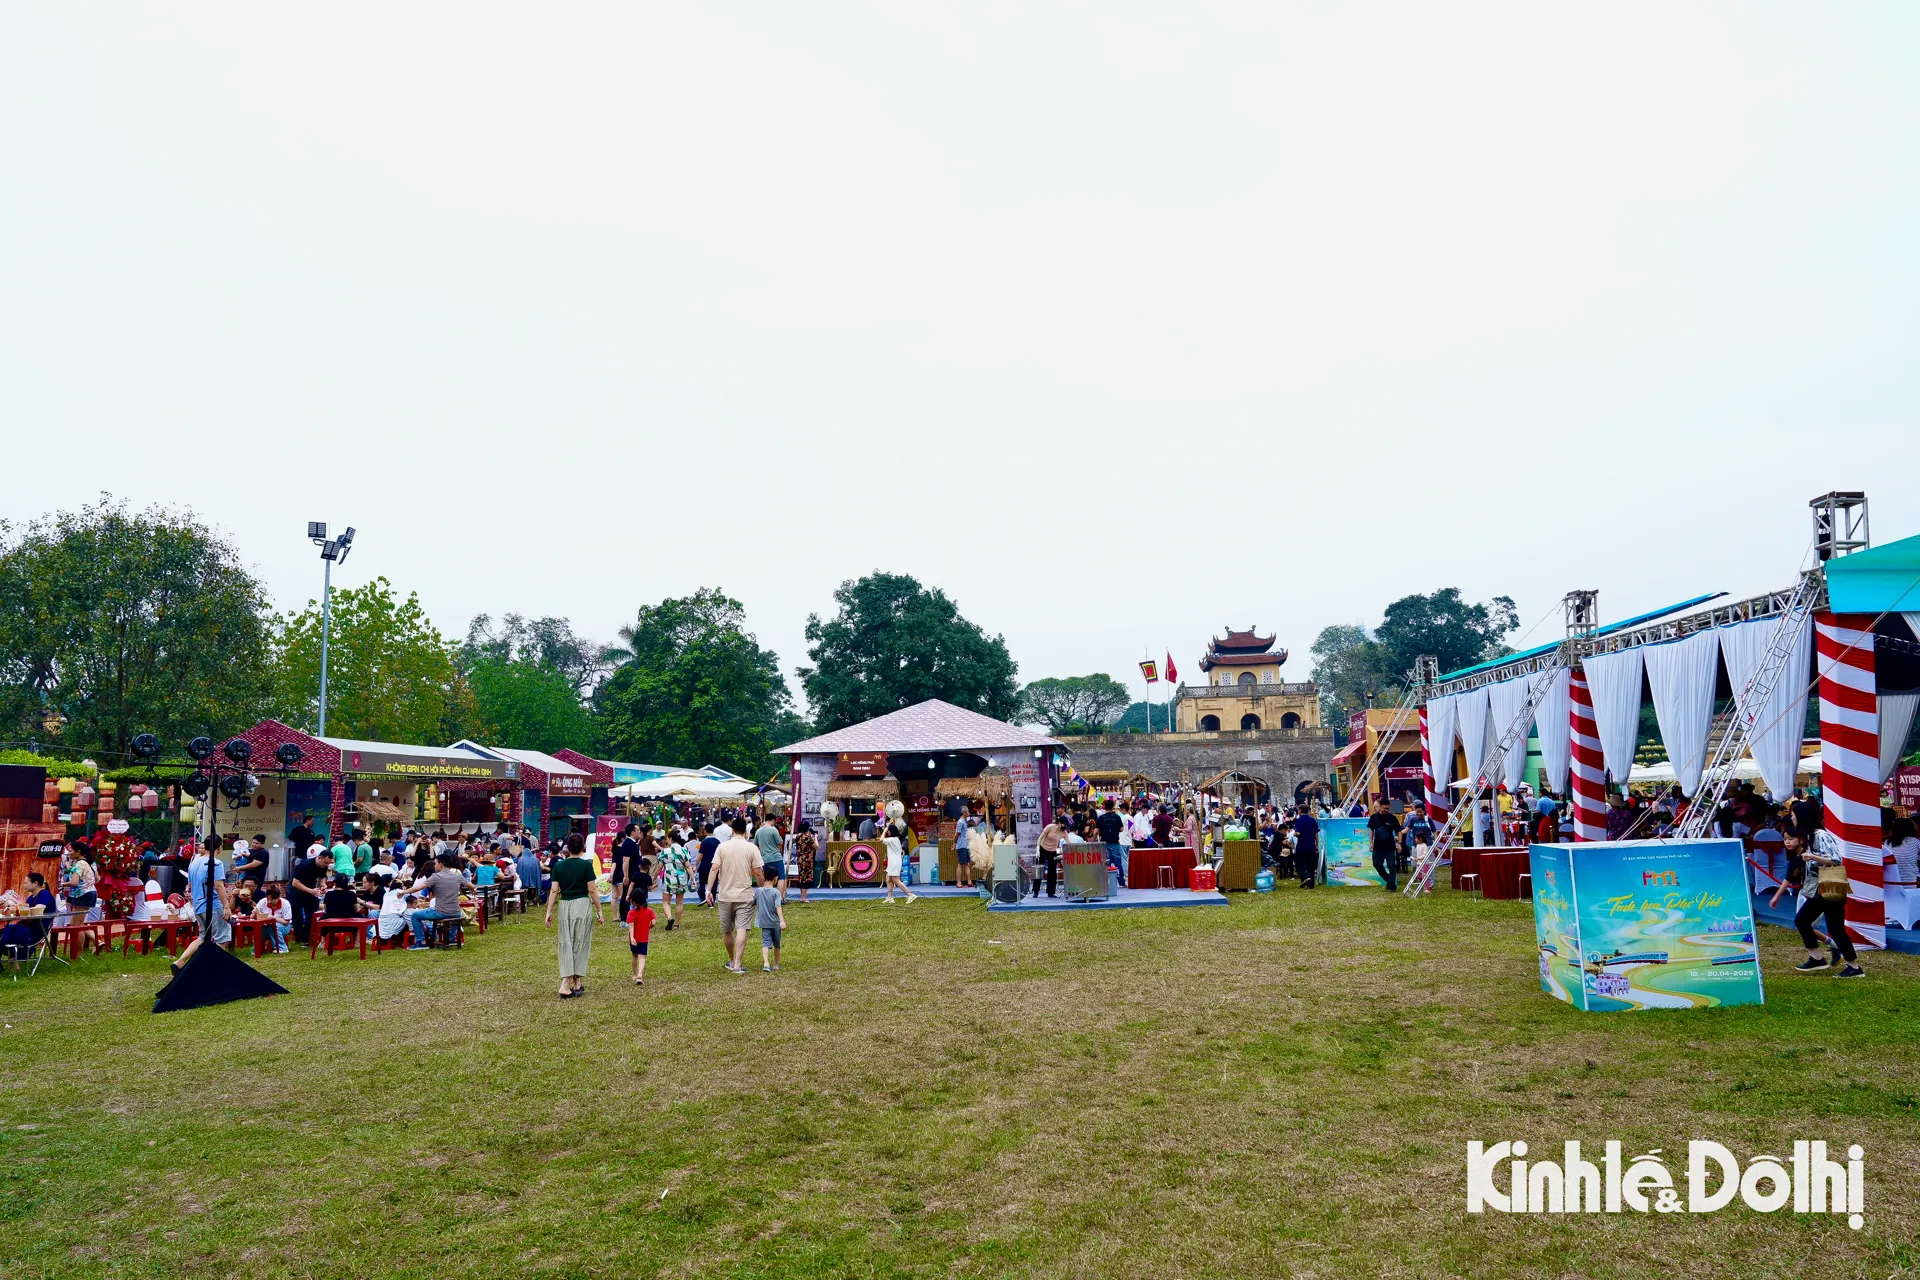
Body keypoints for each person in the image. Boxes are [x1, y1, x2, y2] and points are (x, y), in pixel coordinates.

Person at [1773, 829, 1864, 977]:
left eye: (1791, 838)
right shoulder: (1806, 845)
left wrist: (1812, 857)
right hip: (1823, 888)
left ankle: (1822, 958)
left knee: (1806, 921)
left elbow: (1835, 861)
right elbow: (1789, 877)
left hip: (1827, 886)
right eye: (1785, 839)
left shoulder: (1819, 836)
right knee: (1832, 928)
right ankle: (1849, 965)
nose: (1787, 842)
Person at [545, 833, 596, 997]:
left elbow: (554, 890)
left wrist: (548, 911)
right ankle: (566, 984)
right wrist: (600, 910)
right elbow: (592, 889)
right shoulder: (586, 865)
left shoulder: (559, 866)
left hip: (565, 905)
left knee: (567, 942)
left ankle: (576, 982)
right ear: (583, 848)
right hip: (582, 904)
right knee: (580, 943)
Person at [706, 823, 761, 974]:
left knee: (728, 930)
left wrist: (708, 890)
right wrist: (762, 888)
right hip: (744, 894)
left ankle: (731, 960)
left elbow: (714, 868)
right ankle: (738, 963)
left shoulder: (722, 847)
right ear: (746, 832)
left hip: (725, 895)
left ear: (732, 830)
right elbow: (758, 872)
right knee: (742, 928)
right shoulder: (751, 848)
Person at [406, 853, 467, 951]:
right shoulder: (457, 876)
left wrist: (403, 892)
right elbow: (470, 885)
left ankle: (421, 942)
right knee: (456, 914)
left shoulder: (435, 876)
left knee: (415, 915)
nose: (434, 866)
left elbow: (417, 888)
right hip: (456, 912)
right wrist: (473, 890)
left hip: (441, 912)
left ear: (441, 864)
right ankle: (451, 939)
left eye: (435, 863)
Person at [1, 872, 56, 960]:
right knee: (2, 933)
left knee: (4, 935)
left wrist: (19, 909)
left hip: (35, 931)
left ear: (35, 883)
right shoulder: (31, 898)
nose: (24, 885)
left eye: (26, 883)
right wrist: (14, 908)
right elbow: (24, 912)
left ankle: (13, 960)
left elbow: (37, 910)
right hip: (26, 928)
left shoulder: (44, 894)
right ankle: (12, 962)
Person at [288, 842, 327, 945]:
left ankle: (308, 937)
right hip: (296, 890)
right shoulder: (305, 865)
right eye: (325, 863)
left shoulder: (324, 865)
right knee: (297, 914)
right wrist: (311, 890)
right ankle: (299, 937)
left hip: (310, 889)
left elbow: (323, 876)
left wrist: (323, 885)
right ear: (319, 858)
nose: (326, 865)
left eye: (328, 863)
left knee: (312, 912)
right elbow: (295, 883)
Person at [755, 866, 786, 973]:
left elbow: (753, 902)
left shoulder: (759, 891)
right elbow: (778, 906)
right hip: (775, 923)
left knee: (765, 943)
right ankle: (776, 965)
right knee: (777, 944)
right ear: (775, 878)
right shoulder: (776, 892)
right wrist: (781, 921)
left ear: (764, 876)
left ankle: (766, 963)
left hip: (764, 922)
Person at [1366, 798, 1401, 891]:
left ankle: (1392, 886)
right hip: (1378, 846)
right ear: (1380, 806)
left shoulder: (1392, 818)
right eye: (1385, 808)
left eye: (1388, 808)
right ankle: (1389, 881)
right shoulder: (1374, 817)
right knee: (1377, 864)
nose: (1386, 810)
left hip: (1390, 846)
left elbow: (1398, 831)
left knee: (1391, 866)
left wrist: (1399, 843)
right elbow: (1371, 830)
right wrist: (1371, 843)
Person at [626, 884, 655, 986]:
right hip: (644, 938)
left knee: (634, 955)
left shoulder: (631, 913)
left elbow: (631, 926)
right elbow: (653, 923)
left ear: (634, 901)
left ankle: (635, 974)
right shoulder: (649, 911)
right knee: (642, 956)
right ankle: (640, 974)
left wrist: (632, 937)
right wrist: (648, 927)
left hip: (634, 938)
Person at [1096, 799, 1127, 884]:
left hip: (1104, 843)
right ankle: (1121, 881)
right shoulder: (1117, 817)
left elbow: (1096, 831)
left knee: (1106, 862)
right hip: (1115, 842)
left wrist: (1096, 835)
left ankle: (1107, 881)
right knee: (1118, 862)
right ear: (1113, 807)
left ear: (1104, 807)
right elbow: (1121, 829)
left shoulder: (1101, 818)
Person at [1035, 816, 1066, 899]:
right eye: (1064, 824)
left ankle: (1051, 892)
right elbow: (1040, 838)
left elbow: (1069, 842)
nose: (1065, 826)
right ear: (1059, 823)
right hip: (1043, 849)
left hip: (1052, 851)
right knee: (1039, 870)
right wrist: (1037, 849)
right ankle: (1035, 891)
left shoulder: (1064, 833)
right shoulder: (1050, 827)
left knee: (1052, 872)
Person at [255, 886, 292, 952]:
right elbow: (254, 915)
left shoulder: (285, 903)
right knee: (262, 928)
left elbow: (286, 922)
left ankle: (282, 948)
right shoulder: (262, 902)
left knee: (274, 926)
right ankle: (257, 949)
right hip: (266, 925)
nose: (269, 901)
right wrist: (255, 913)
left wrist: (273, 918)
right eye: (268, 899)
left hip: (284, 926)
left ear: (278, 898)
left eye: (272, 899)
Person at [754, 814, 785, 894]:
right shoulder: (773, 829)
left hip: (764, 859)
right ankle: (779, 897)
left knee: (767, 878)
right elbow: (780, 842)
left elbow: (755, 844)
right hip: (776, 858)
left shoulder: (758, 831)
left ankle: (766, 896)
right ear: (773, 820)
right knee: (781, 877)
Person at [788, 821, 816, 903]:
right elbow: (816, 846)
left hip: (800, 859)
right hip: (807, 860)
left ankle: (802, 896)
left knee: (801, 877)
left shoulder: (798, 836)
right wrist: (816, 837)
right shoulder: (808, 837)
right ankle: (803, 898)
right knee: (806, 878)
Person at [1293, 808, 1321, 888]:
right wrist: (1316, 845)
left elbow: (1298, 833)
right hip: (1311, 846)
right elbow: (1316, 834)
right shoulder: (1313, 820)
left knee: (1299, 864)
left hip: (1302, 846)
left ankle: (1305, 878)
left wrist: (1295, 834)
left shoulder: (1299, 820)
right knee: (1310, 866)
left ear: (1300, 811)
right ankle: (1311, 885)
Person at [515, 841, 545, 908]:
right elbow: (538, 871)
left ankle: (526, 900)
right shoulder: (536, 860)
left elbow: (518, 871)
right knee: (532, 887)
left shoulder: (521, 860)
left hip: (524, 881)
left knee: (527, 887)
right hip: (534, 881)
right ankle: (531, 899)